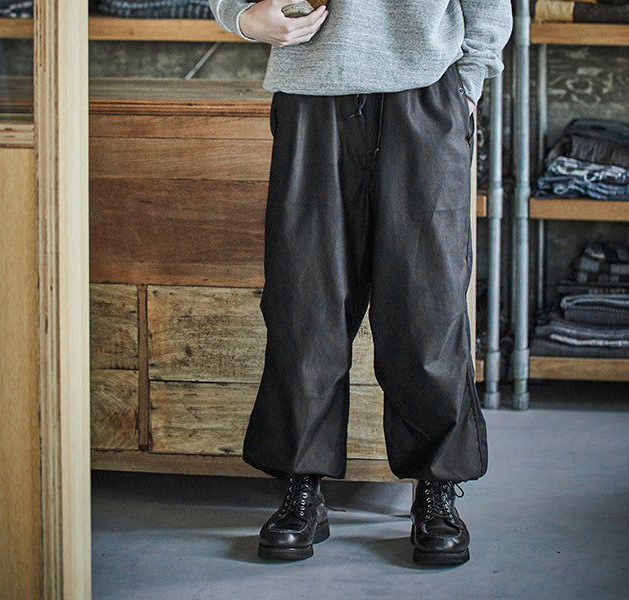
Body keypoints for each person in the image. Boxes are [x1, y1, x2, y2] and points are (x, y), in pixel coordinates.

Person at [208, 0, 513, 565]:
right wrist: (243, 17)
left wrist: (467, 83)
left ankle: (436, 487)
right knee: (305, 301)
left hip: (427, 92)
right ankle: (303, 484)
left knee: (427, 303)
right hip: (311, 92)